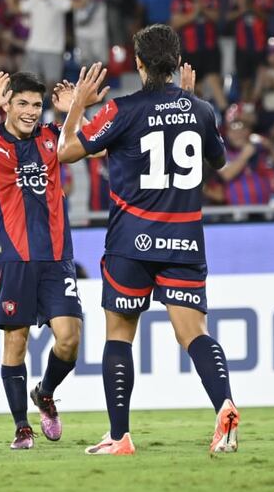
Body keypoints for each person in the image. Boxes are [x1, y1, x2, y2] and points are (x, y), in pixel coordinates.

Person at [58, 25, 240, 455]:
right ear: (177, 64)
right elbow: (218, 161)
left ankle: (120, 436)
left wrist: (78, 107)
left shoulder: (122, 109)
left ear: (138, 64)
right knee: (194, 334)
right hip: (185, 239)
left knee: (119, 336)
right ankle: (225, 404)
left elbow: (67, 151)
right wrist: (192, 103)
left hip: (131, 242)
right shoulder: (201, 110)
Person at [0, 71, 85, 450]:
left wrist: (75, 111)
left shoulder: (52, 137)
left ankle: (46, 393)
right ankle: (22, 427)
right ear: (7, 104)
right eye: (22, 103)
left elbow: (99, 146)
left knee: (70, 340)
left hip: (58, 258)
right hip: (13, 259)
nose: (30, 112)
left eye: (36, 105)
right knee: (16, 342)